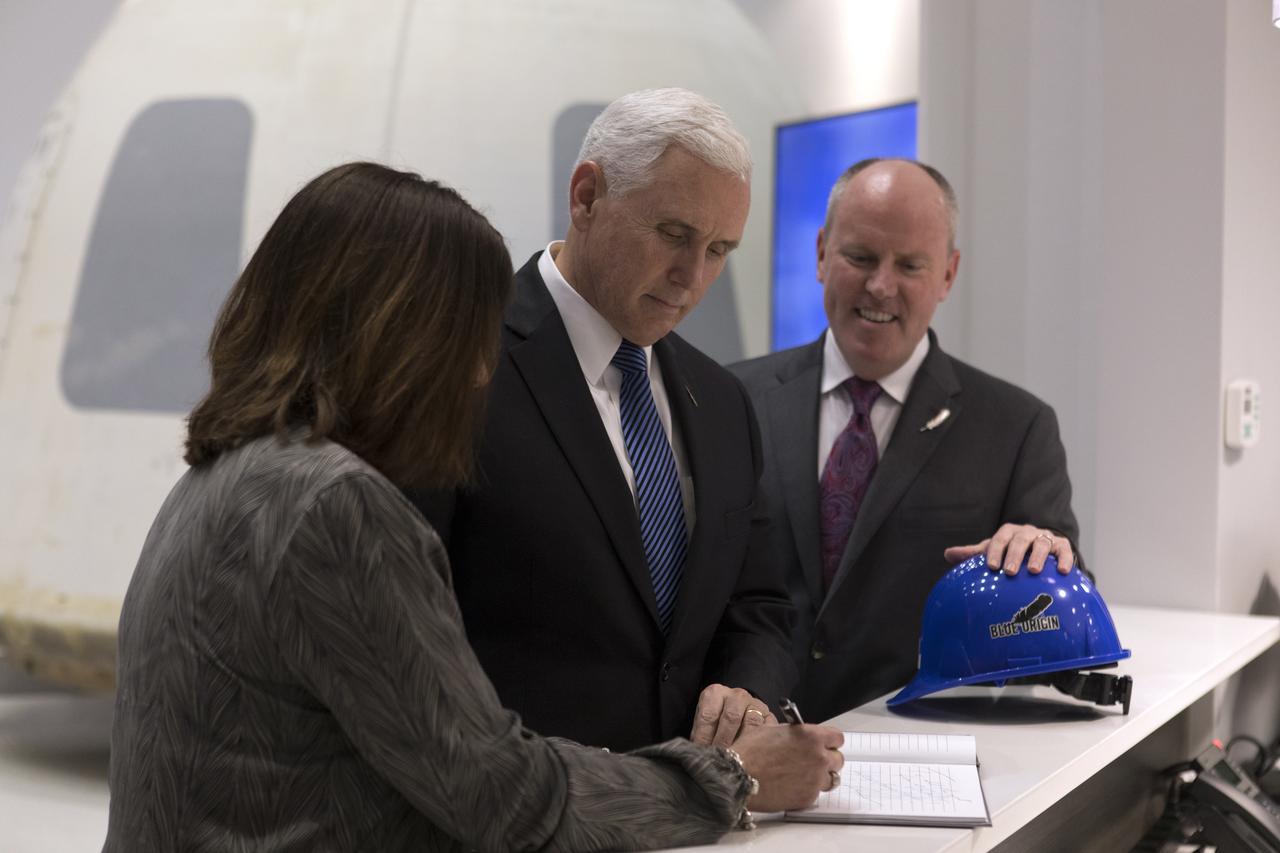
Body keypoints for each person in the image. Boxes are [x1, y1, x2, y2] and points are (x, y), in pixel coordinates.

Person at [103, 162, 844, 852]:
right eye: (466, 333)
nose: (482, 367)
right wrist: (733, 778)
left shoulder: (218, 480)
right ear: (396, 331)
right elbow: (499, 791)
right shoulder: (336, 505)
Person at [408, 89, 794, 752]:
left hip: (697, 814)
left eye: (719, 250)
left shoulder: (723, 400)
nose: (692, 276)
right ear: (586, 196)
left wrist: (747, 691)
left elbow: (760, 604)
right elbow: (410, 631)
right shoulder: (456, 364)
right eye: (674, 234)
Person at [731, 158, 1083, 722]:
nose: (880, 286)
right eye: (860, 257)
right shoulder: (731, 400)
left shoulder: (1017, 428)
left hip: (921, 754)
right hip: (749, 753)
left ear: (948, 275)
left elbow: (1062, 617)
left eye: (910, 265)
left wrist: (1037, 560)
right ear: (822, 253)